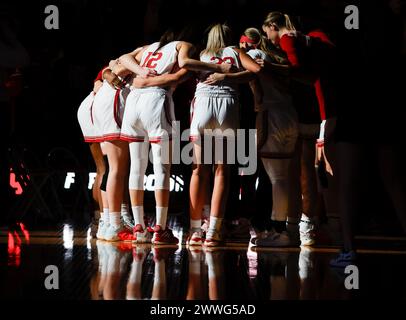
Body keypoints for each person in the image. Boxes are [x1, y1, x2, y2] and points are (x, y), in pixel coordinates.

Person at [186, 24, 261, 247]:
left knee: (199, 170)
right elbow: (256, 71)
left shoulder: (201, 54)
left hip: (203, 105)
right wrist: (228, 74)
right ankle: (214, 232)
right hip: (226, 105)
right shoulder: (235, 51)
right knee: (221, 171)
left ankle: (195, 230)